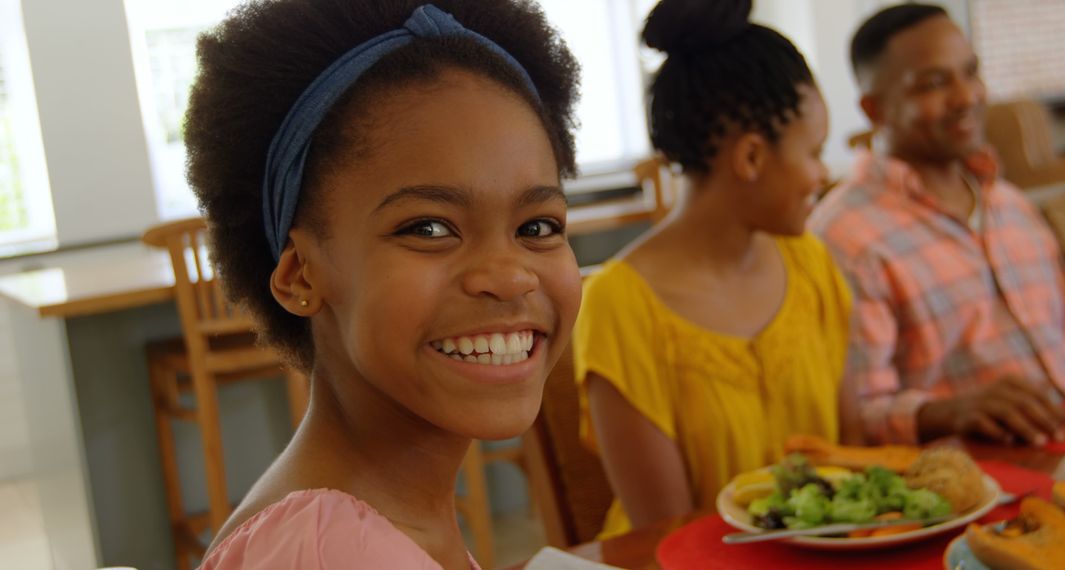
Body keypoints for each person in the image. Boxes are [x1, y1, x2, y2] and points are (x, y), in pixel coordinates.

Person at [184, 1, 583, 567]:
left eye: (537, 226)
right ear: (301, 275)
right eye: (429, 227)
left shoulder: (364, 524)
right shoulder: (333, 552)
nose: (510, 275)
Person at [573, 0, 852, 538]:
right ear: (751, 158)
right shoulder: (620, 306)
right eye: (814, 152)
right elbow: (668, 535)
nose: (823, 172)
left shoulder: (812, 263)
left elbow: (852, 454)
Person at [810, 3, 1065, 447]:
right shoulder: (845, 237)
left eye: (969, 72)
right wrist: (949, 412)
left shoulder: (1011, 206)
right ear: (874, 109)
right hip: (969, 491)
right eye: (933, 84)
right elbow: (855, 418)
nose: (966, 96)